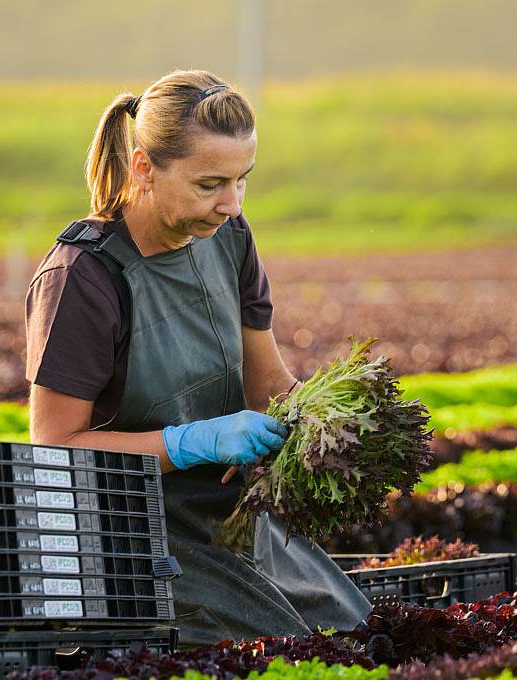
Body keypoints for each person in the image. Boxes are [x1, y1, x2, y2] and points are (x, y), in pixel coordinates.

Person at [25, 69, 371, 645]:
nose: (231, 205)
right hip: (130, 536)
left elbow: (267, 382)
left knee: (357, 632)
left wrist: (326, 421)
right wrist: (191, 442)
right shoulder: (83, 278)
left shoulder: (228, 238)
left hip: (228, 514)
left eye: (242, 181)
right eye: (210, 184)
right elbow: (56, 450)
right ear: (144, 169)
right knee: (281, 651)